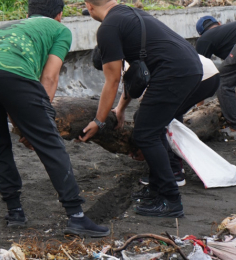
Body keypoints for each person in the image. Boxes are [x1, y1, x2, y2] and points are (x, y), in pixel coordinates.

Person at [0, 0, 109, 237]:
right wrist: (42, 120)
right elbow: (49, 77)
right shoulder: (58, 29)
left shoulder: (13, 26)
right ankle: (76, 216)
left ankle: (15, 212)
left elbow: (3, 87)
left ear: (28, 13)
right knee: (50, 144)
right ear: (59, 15)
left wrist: (23, 124)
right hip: (13, 74)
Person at [80, 0, 202, 217]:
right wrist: (121, 109)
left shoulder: (108, 28)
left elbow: (112, 80)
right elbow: (131, 76)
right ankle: (157, 189)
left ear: (88, 6)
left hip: (175, 72)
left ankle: (170, 199)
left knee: (145, 133)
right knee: (151, 129)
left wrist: (99, 121)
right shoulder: (127, 14)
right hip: (189, 65)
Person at [91, 46, 220, 192]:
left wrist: (141, 141)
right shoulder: (134, 50)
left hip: (196, 77)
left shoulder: (129, 62)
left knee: (152, 121)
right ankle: (175, 168)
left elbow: (146, 99)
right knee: (168, 118)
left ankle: (173, 172)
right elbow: (132, 87)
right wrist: (120, 109)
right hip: (208, 74)